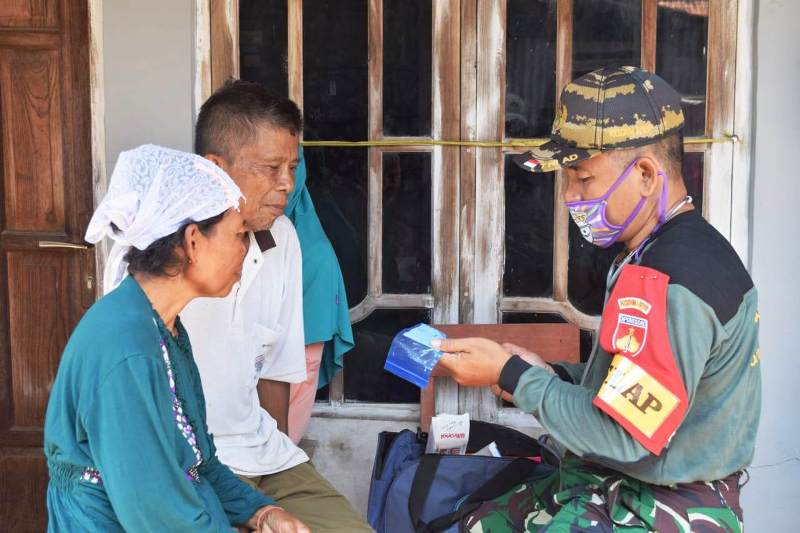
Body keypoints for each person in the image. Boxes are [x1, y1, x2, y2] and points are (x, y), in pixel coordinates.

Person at [435, 67, 760, 532]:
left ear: (645, 174)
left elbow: (624, 434)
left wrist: (512, 376)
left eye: (583, 178)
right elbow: (645, 384)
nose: (570, 196)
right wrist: (551, 375)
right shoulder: (664, 250)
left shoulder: (667, 280)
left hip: (656, 507)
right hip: (621, 484)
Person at [44, 145, 308, 532]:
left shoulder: (162, 328)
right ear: (193, 241)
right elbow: (157, 516)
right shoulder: (126, 351)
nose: (245, 249)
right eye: (239, 234)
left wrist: (262, 512)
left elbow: (200, 463)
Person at [180, 80, 372, 532]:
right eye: (271, 168)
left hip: (266, 456)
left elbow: (276, 369)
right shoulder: (160, 254)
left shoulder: (282, 238)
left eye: (292, 166)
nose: (287, 183)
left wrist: (278, 469)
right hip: (191, 464)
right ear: (216, 168)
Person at [284, 146, 355, 444]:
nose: (282, 182)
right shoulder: (234, 230)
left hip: (309, 315)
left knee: (299, 379)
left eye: (291, 168)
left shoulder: (303, 236)